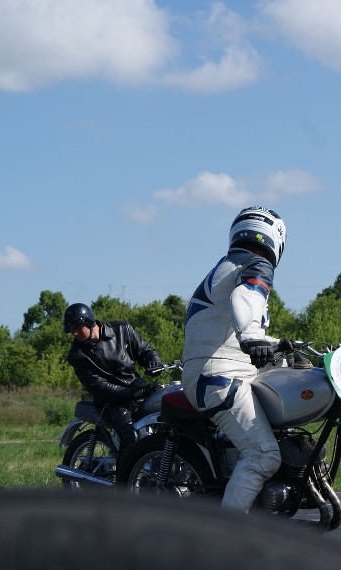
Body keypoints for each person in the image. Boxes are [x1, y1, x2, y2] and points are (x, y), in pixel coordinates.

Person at [181, 206, 290, 513]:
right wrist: (253, 335)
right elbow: (245, 301)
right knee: (263, 454)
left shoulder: (229, 266)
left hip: (216, 368)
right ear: (277, 239)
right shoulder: (255, 265)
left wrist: (280, 346)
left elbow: (228, 331)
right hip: (218, 374)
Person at [63, 302, 165, 453]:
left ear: (89, 322)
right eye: (71, 329)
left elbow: (146, 350)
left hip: (136, 387)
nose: (74, 333)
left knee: (165, 417)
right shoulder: (77, 355)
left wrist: (154, 361)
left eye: (77, 327)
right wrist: (133, 393)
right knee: (129, 435)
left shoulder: (122, 330)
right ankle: (125, 475)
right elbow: (99, 388)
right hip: (110, 402)